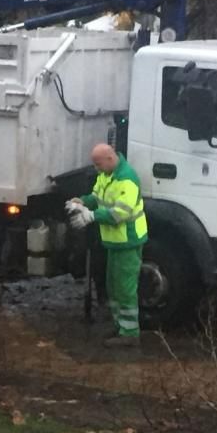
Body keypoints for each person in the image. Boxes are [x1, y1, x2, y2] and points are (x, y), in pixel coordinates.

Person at [67, 144, 148, 348]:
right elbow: (97, 197)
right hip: (115, 242)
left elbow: (120, 213)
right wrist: (82, 202)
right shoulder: (107, 175)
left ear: (110, 159)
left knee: (125, 289)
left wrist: (90, 216)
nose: (96, 169)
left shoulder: (127, 179)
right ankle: (121, 327)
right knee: (113, 287)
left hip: (128, 241)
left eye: (98, 164)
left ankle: (130, 333)